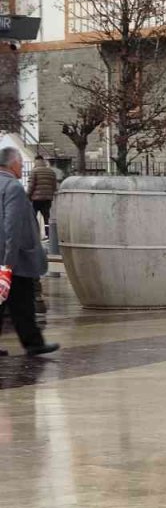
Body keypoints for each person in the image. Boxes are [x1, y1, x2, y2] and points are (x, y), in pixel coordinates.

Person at [0, 147, 59, 358]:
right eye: (21, 164)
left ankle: (33, 342)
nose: (22, 167)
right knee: (22, 302)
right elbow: (12, 225)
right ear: (13, 164)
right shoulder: (13, 187)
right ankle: (34, 344)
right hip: (14, 259)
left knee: (10, 302)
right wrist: (9, 261)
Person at [26, 156, 58, 235]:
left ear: (36, 161)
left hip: (36, 199)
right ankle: (48, 235)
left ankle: (34, 234)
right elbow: (54, 186)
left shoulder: (34, 171)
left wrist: (27, 196)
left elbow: (31, 186)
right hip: (47, 199)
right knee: (47, 217)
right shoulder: (51, 172)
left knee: (32, 217)